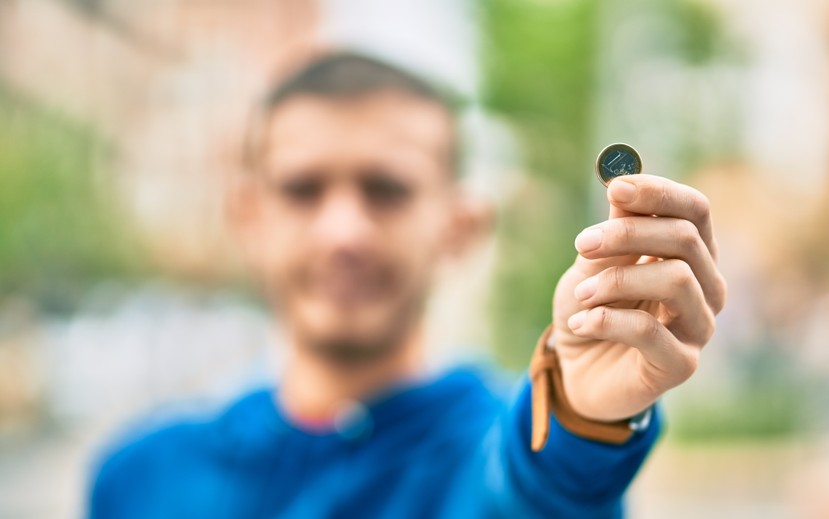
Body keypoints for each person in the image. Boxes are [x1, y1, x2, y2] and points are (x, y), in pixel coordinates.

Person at [88, 52, 726, 518]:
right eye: (303, 189)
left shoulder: (497, 448)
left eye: (386, 190)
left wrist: (578, 417)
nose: (344, 231)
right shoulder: (142, 477)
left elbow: (539, 489)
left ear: (462, 225)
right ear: (248, 216)